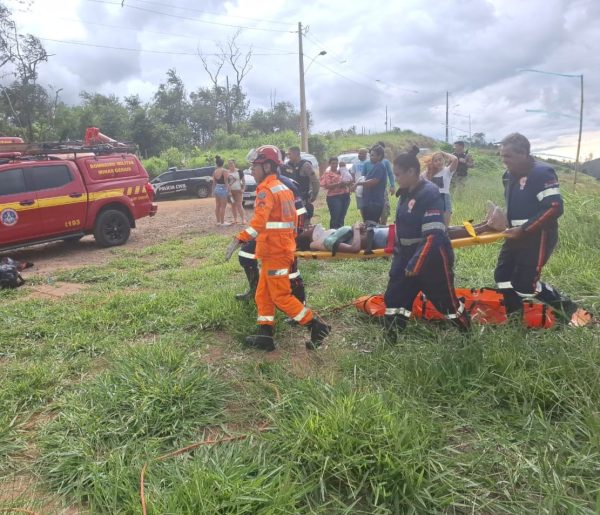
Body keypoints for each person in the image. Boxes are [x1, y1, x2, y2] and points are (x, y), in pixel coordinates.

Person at [228, 145, 330, 351]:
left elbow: (258, 222)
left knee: (280, 297)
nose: (252, 171)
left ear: (267, 166)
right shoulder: (283, 188)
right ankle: (265, 335)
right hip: (276, 250)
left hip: (275, 253)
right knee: (263, 295)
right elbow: (292, 221)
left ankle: (316, 325)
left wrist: (239, 239)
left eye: (254, 167)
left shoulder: (267, 190)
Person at [494, 133, 590, 326]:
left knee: (525, 283)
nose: (504, 161)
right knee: (502, 276)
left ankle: (573, 312)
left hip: (538, 237)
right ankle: (515, 317)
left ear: (524, 154)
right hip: (514, 235)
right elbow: (516, 205)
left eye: (508, 156)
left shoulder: (542, 173)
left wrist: (525, 229)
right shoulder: (508, 176)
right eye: (502, 156)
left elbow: (554, 207)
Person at [382, 146, 470, 340]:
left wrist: (416, 263)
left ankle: (467, 335)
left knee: (446, 303)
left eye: (398, 174)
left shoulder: (429, 193)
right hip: (405, 256)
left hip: (432, 260)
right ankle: (391, 339)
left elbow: (434, 235)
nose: (395, 178)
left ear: (412, 172)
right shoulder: (405, 192)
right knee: (395, 297)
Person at [296, 203, 507, 253]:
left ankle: (483, 224)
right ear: (306, 238)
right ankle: (487, 226)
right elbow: (353, 249)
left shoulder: (321, 236)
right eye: (305, 229)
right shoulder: (318, 243)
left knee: (438, 229)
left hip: (383, 232)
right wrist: (356, 229)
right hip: (384, 240)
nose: (308, 225)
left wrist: (358, 228)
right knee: (437, 233)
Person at [283, 146, 320, 223]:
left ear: (297, 154)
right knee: (293, 222)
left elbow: (315, 181)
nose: (288, 156)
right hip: (291, 200)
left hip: (303, 200)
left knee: (303, 222)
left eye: (290, 154)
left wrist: (314, 196)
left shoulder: (305, 165)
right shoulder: (287, 165)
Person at [352, 145, 387, 223]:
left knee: (371, 225)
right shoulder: (375, 166)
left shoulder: (379, 166)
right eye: (370, 155)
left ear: (379, 156)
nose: (370, 157)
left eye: (372, 155)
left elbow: (373, 181)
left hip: (374, 203)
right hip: (369, 202)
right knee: (368, 224)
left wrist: (358, 184)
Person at [423, 150, 458, 226]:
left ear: (444, 159)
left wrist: (443, 153)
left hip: (444, 198)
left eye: (440, 159)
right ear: (433, 163)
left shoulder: (448, 171)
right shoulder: (428, 173)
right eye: (435, 161)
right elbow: (417, 179)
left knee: (445, 226)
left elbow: (455, 159)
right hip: (432, 200)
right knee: (432, 225)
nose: (438, 162)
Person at [320, 157, 353, 228]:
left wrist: (348, 182)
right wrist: (339, 183)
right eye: (333, 163)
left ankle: (341, 234)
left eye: (336, 163)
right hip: (334, 197)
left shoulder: (342, 171)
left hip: (345, 196)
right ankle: (333, 234)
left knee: (342, 217)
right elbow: (327, 186)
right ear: (329, 164)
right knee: (335, 217)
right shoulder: (327, 174)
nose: (335, 165)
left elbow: (350, 180)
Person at [376, 141, 396, 225]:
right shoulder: (370, 162)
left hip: (383, 189)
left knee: (385, 209)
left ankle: (383, 224)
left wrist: (392, 185)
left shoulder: (386, 162)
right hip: (372, 190)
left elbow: (391, 174)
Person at [212, 155, 231, 226]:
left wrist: (212, 191)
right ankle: (223, 222)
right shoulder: (224, 171)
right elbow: (226, 182)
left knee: (217, 205)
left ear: (217, 164)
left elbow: (214, 183)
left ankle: (218, 222)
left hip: (217, 188)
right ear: (223, 164)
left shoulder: (215, 171)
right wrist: (228, 191)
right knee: (223, 206)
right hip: (223, 189)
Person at [227, 159, 246, 225]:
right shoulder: (227, 172)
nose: (231, 165)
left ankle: (243, 219)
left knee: (239, 205)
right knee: (233, 206)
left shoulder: (239, 171)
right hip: (231, 192)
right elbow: (226, 183)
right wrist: (228, 191)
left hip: (238, 191)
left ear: (234, 164)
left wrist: (243, 189)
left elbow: (243, 181)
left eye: (232, 163)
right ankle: (235, 219)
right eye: (229, 164)